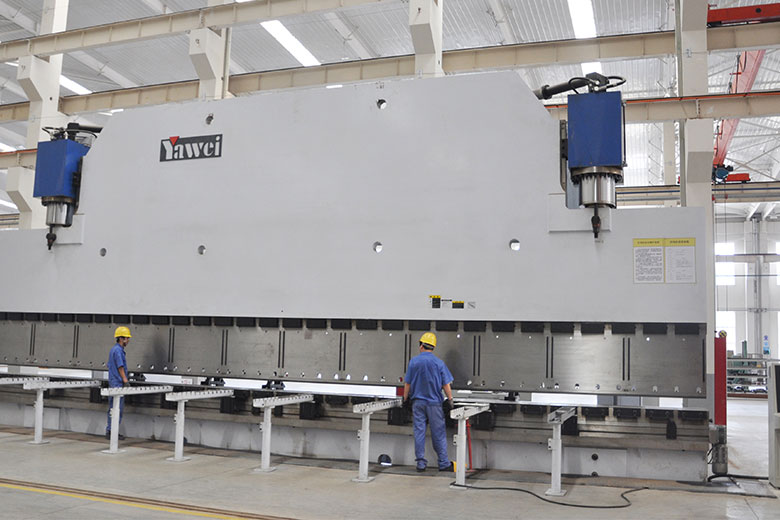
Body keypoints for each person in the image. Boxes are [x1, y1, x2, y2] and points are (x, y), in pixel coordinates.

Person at [403, 332, 454, 472]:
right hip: (434, 404)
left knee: (419, 432)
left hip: (418, 403)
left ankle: (420, 464)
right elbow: (446, 384)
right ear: (433, 347)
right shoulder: (439, 363)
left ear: (421, 345)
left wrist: (405, 399)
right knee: (438, 434)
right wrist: (450, 400)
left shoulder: (414, 362)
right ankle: (443, 463)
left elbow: (407, 383)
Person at [106, 326, 131, 440]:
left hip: (114, 381)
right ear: (121, 338)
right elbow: (120, 367)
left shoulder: (114, 349)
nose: (128, 340)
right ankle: (112, 432)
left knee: (113, 408)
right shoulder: (118, 351)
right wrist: (125, 380)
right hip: (117, 383)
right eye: (127, 338)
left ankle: (110, 430)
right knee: (117, 408)